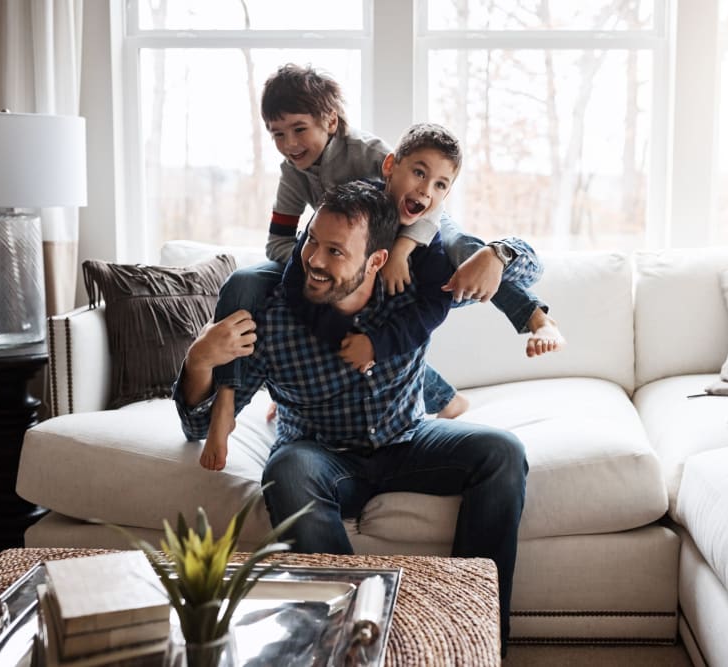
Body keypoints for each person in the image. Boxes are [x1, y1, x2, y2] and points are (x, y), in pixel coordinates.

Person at [175, 182, 528, 652]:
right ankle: (356, 641)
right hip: (322, 456)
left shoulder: (411, 291)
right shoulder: (274, 316)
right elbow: (198, 427)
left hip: (409, 439)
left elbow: (527, 271)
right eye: (312, 242)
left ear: (376, 260)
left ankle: (473, 633)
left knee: (503, 452)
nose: (315, 260)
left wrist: (498, 254)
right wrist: (199, 359)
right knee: (287, 469)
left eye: (336, 251)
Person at [207, 64, 563, 426]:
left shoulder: (367, 153)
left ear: (330, 121)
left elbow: (419, 196)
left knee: (465, 251)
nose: (290, 144)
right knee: (252, 282)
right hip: (352, 260)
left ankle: (536, 318)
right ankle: (439, 399)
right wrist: (317, 262)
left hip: (416, 231)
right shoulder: (293, 172)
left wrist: (402, 250)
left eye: (299, 129)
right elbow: (278, 242)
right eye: (277, 134)